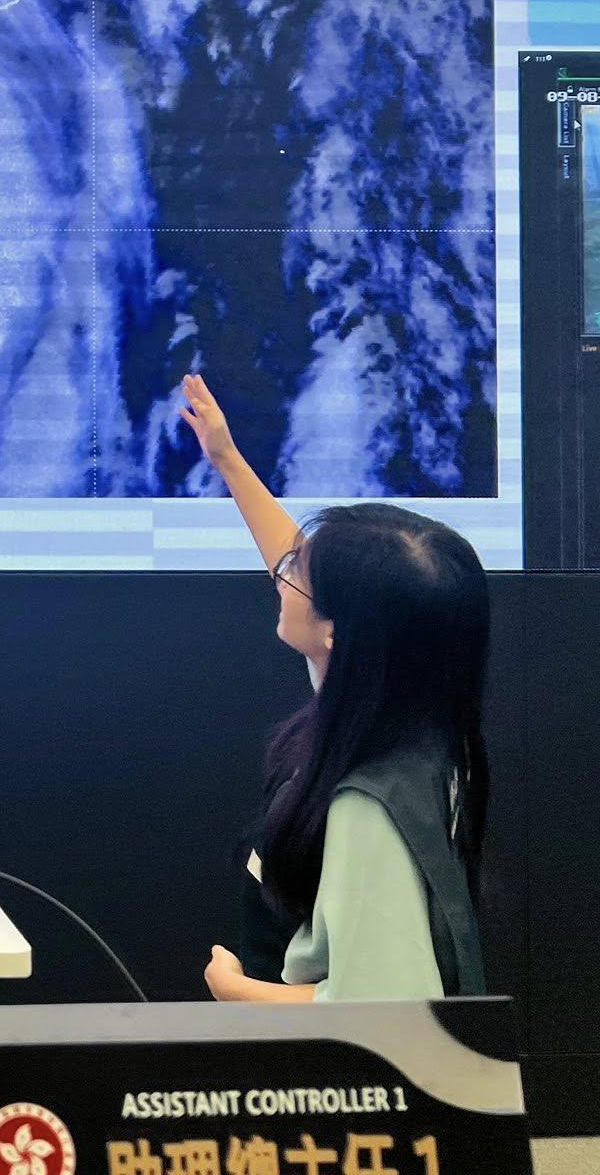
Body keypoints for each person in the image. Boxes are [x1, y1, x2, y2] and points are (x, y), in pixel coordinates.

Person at [178, 373, 489, 1002]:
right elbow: (296, 563)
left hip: (327, 1061)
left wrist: (235, 991)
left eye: (299, 575)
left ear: (339, 632)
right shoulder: (411, 712)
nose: (282, 572)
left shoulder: (365, 806)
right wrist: (227, 459)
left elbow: (384, 1010)